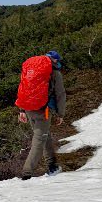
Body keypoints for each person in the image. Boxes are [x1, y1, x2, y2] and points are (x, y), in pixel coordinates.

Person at [16, 50, 67, 179]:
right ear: (55, 60)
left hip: (29, 109)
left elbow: (23, 89)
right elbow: (60, 94)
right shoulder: (54, 73)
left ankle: (52, 166)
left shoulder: (32, 70)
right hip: (43, 111)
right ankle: (26, 173)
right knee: (39, 141)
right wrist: (60, 114)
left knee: (45, 136)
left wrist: (22, 110)